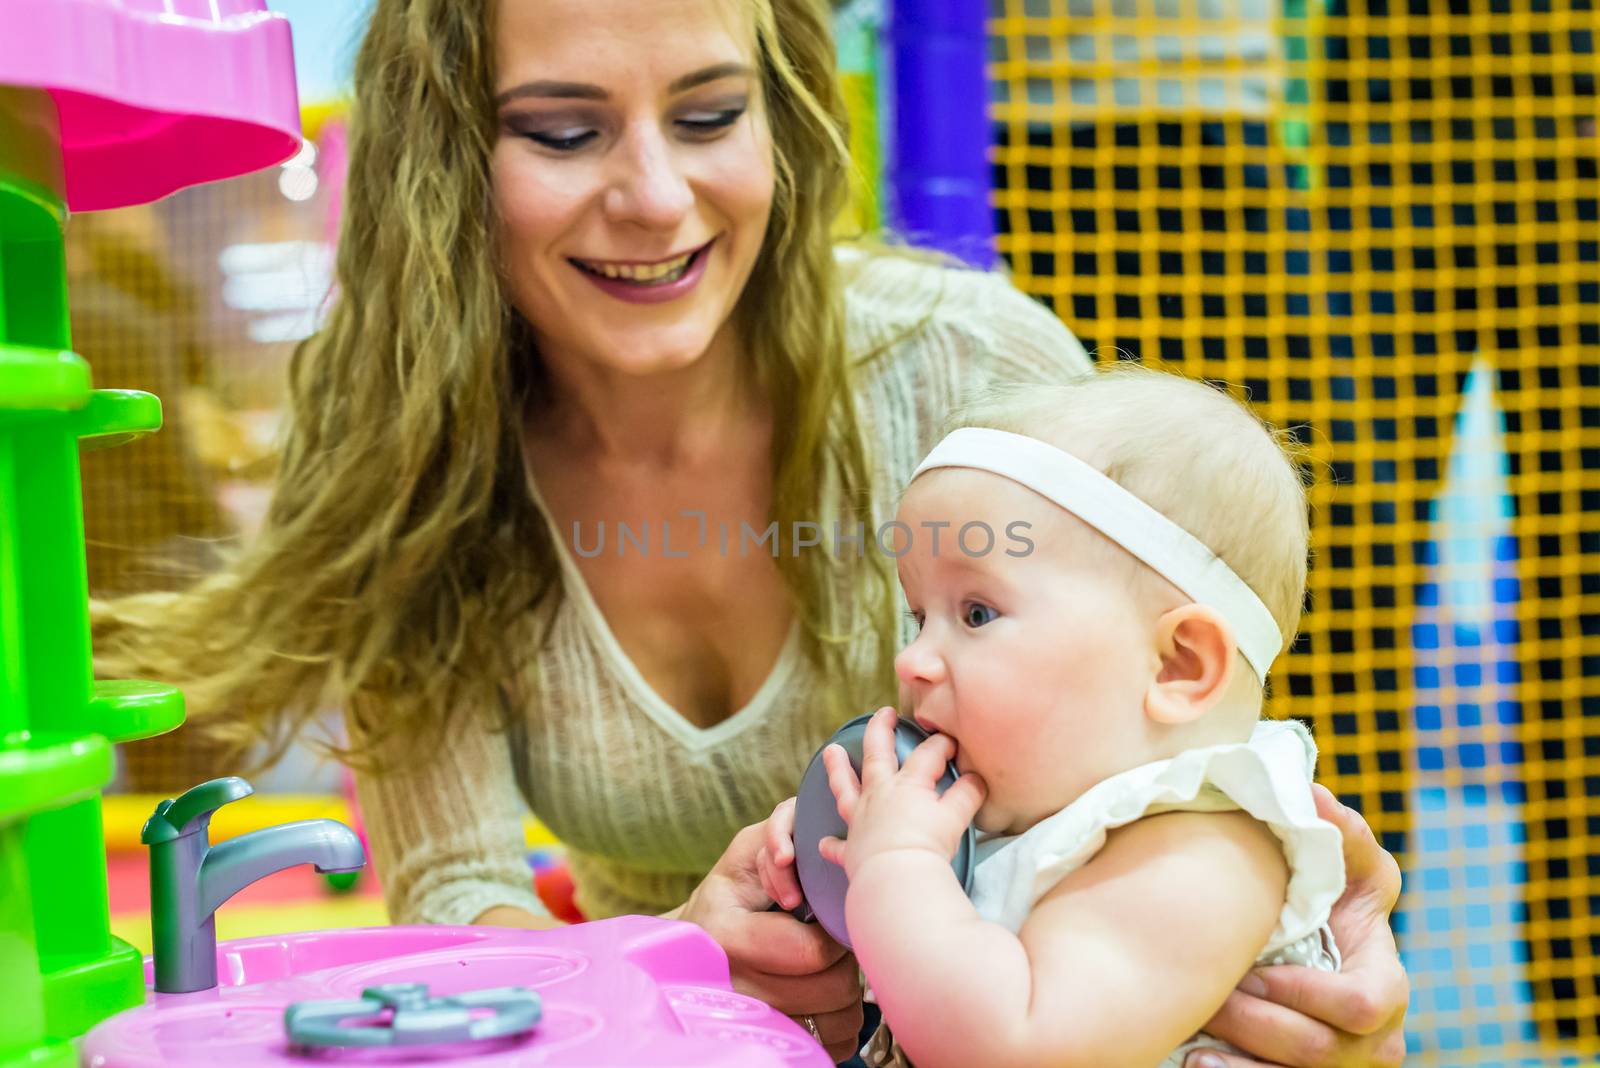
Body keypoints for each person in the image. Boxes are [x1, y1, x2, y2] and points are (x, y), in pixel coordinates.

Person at [92, 1, 1408, 1065]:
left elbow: (1183, 732)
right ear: (446, 163)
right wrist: (672, 954)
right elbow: (456, 887)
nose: (657, 198)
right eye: (562, 131)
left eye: (712, 114)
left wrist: (1321, 945)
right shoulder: (409, 437)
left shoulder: (963, 371)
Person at [760, 365, 1355, 1066]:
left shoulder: (1203, 856)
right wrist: (831, 877)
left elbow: (1012, 1047)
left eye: (976, 613)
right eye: (920, 617)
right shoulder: (1028, 816)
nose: (913, 662)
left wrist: (897, 864)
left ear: (1177, 667)